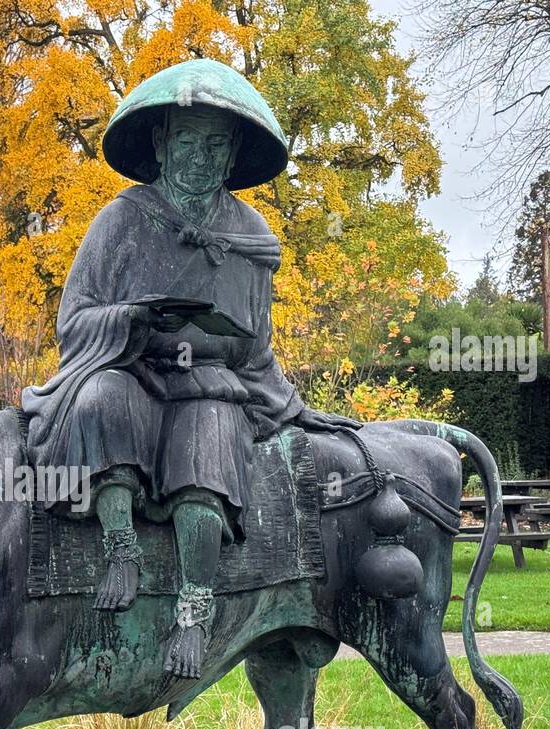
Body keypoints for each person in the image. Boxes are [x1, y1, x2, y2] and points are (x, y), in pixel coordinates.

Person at [22, 59, 358, 679]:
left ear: (231, 156)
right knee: (99, 400)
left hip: (210, 385)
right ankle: (120, 547)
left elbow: (255, 351)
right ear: (160, 144)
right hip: (133, 371)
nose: (199, 158)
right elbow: (74, 323)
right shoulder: (121, 221)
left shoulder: (251, 235)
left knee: (210, 449)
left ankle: (194, 606)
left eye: (214, 145)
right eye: (186, 140)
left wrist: (292, 407)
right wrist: (137, 321)